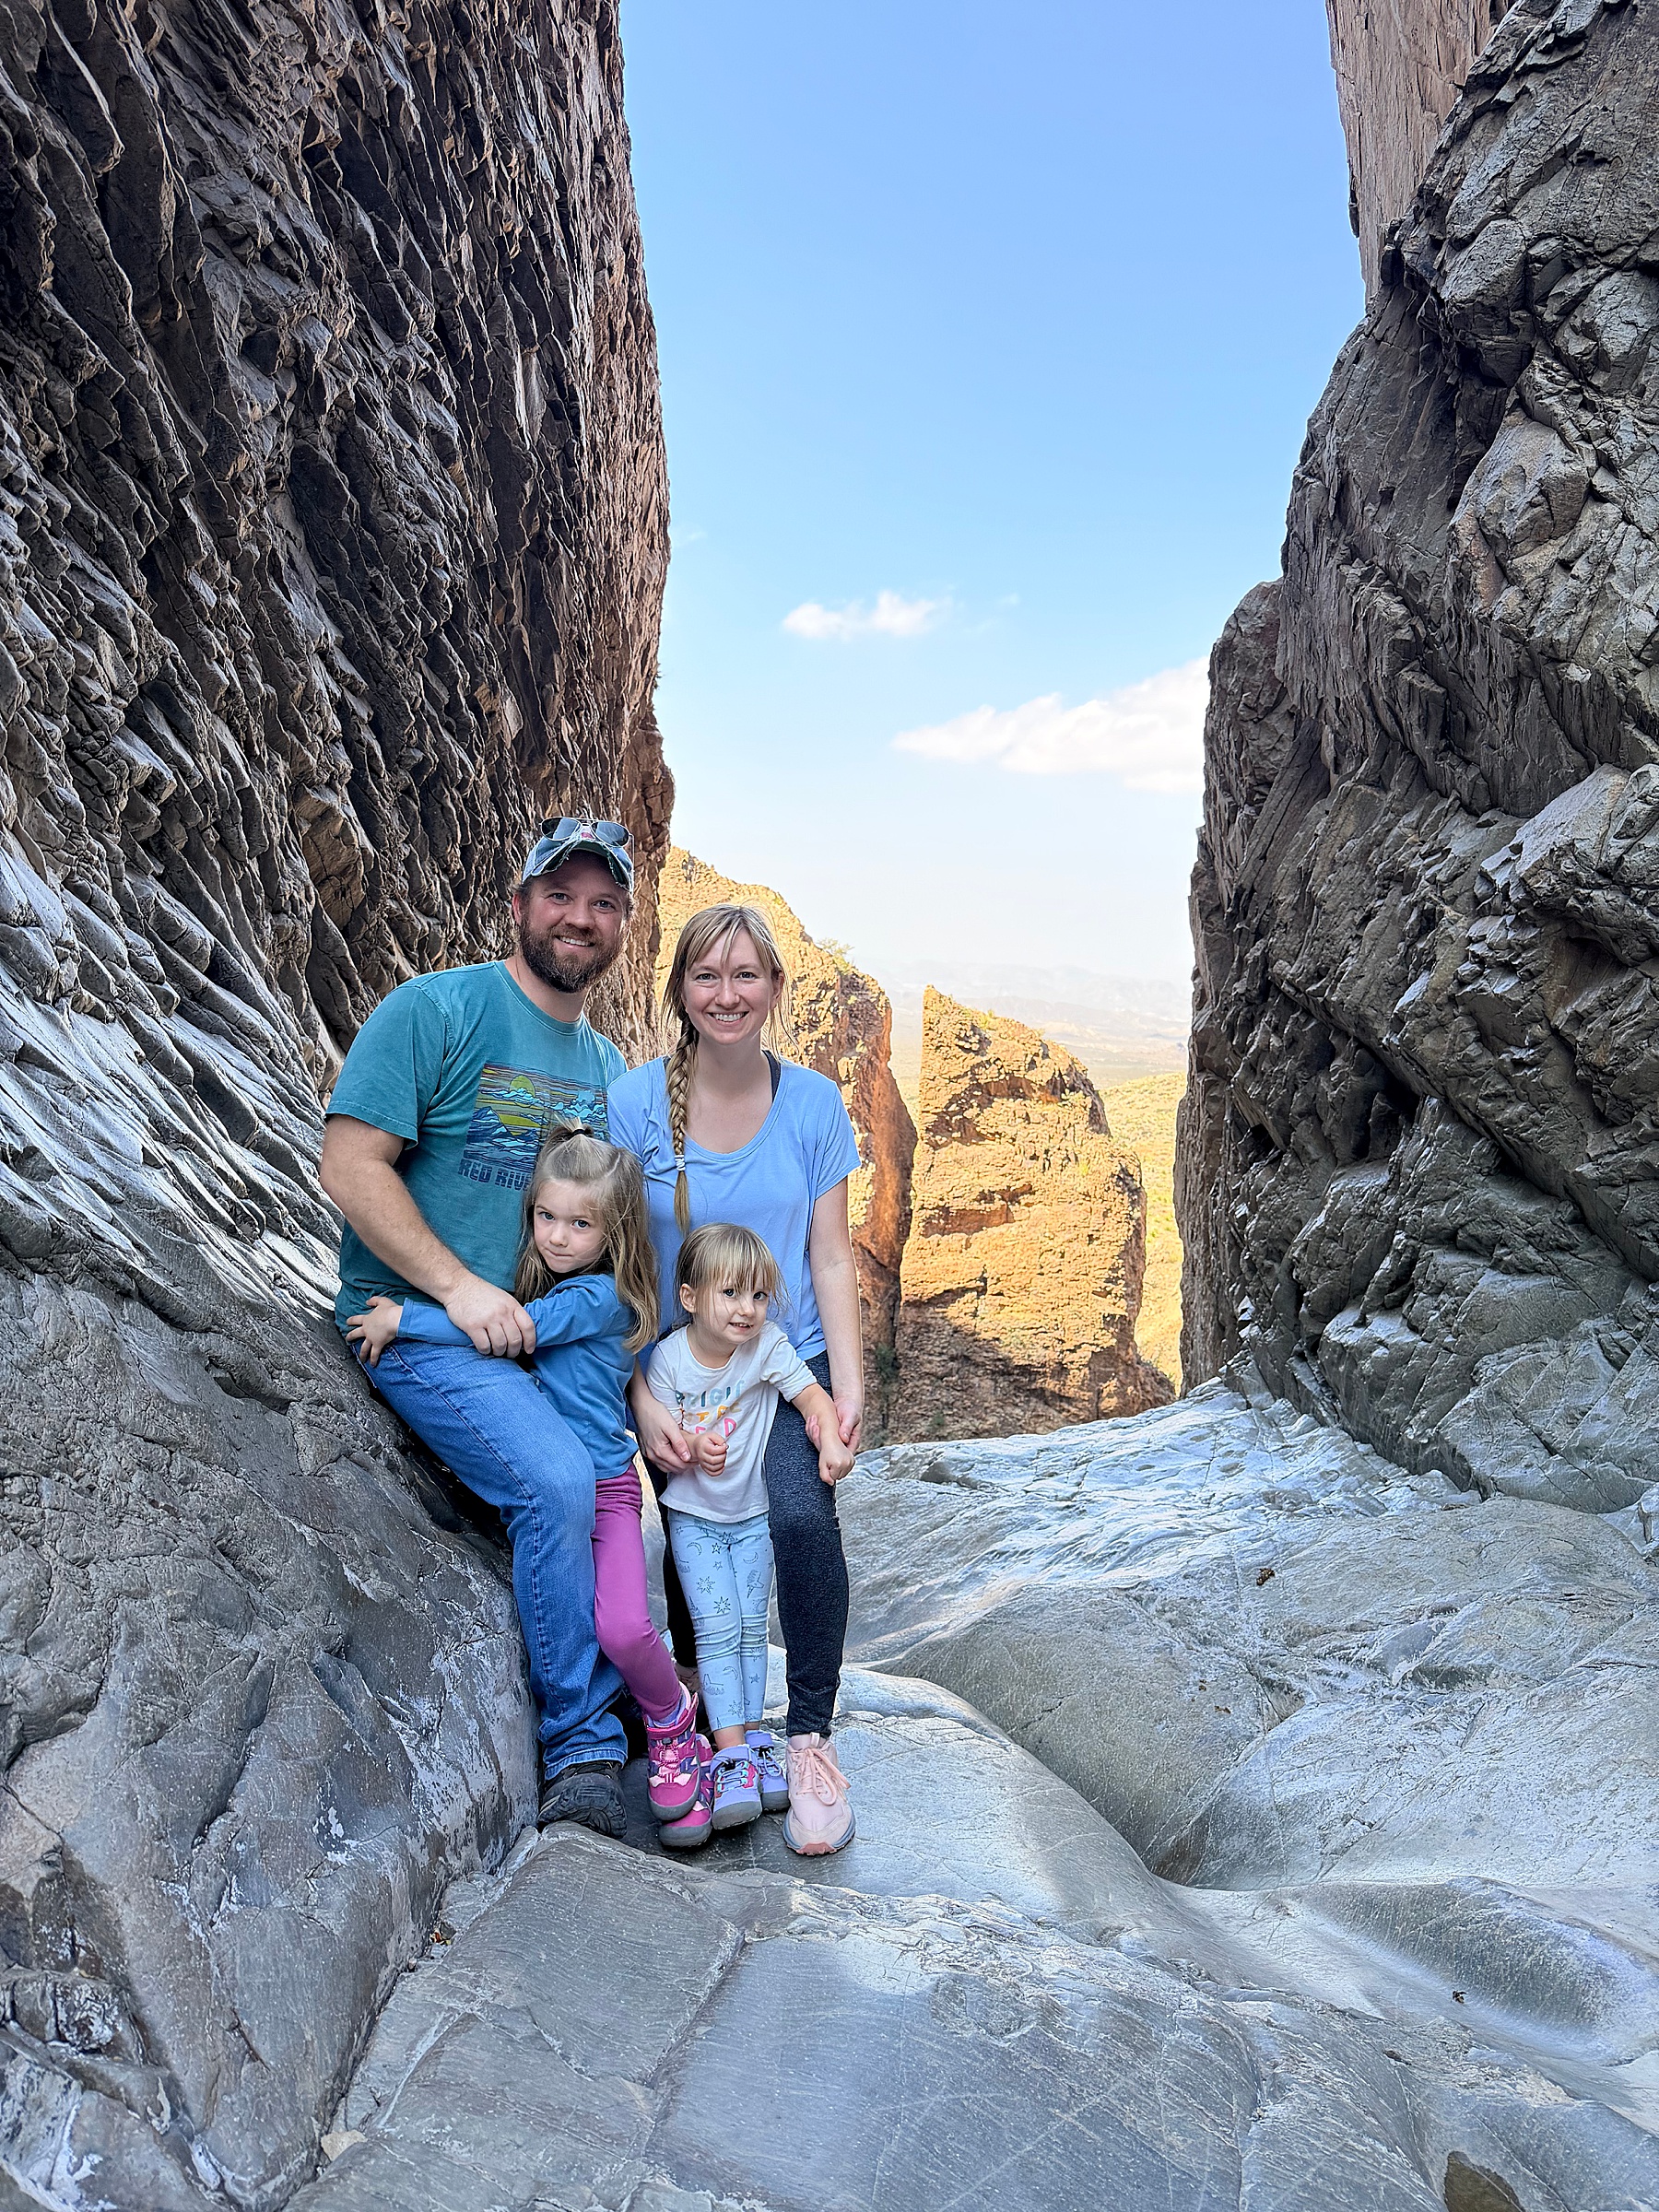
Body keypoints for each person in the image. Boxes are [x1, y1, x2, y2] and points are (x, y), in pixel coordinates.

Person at [319, 815, 641, 1837]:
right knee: (557, 1482)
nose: (578, 918)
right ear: (519, 904)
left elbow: (622, 1246)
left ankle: (649, 1691)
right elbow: (350, 1165)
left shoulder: (609, 1067)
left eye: (602, 903)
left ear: (623, 924)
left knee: (632, 1487)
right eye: (560, 895)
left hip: (542, 1345)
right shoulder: (436, 1010)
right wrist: (455, 1291)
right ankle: (584, 1747)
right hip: (428, 1327)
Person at [343, 1125, 706, 1830]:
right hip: (573, 1487)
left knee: (627, 1629)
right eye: (546, 1217)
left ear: (615, 1232)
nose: (558, 1237)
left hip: (607, 1493)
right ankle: (646, 1709)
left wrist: (405, 1317)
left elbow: (516, 1331)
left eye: (580, 1224)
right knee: (599, 1619)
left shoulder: (593, 1300)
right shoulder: (566, 1279)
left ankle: (672, 1724)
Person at [607, 902, 864, 1855]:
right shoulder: (636, 1105)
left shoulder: (813, 1107)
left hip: (784, 1359)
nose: (727, 995)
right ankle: (720, 1738)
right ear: (680, 990)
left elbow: (830, 1257)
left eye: (745, 976)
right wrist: (641, 1400)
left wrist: (847, 1394)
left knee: (798, 1521)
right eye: (706, 977)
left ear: (774, 990)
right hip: (677, 1377)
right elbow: (617, 1263)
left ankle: (807, 1743)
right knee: (695, 1548)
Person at [646, 1222, 853, 1851]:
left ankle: (753, 1734)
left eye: (758, 1296)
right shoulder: (668, 1359)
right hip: (695, 1517)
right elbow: (660, 1440)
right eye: (731, 1293)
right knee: (714, 1622)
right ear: (689, 1297)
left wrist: (830, 1434)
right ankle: (730, 1752)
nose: (747, 1309)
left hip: (753, 1516)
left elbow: (810, 1394)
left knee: (747, 1625)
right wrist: (690, 1446)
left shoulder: (765, 1346)